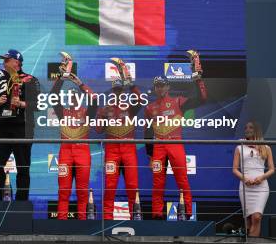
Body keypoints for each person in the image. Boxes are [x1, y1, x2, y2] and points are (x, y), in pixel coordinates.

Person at [144, 72, 207, 220]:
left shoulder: (178, 101)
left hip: (175, 143)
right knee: (157, 181)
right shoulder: (149, 108)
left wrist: (199, 81)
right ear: (154, 88)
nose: (159, 88)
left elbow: (202, 99)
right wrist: (150, 154)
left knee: (182, 179)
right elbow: (147, 132)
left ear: (168, 87)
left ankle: (188, 211)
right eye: (157, 86)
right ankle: (157, 213)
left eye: (162, 85)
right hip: (158, 146)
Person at [0, 49, 40, 200]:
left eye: (6, 60)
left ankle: (21, 203)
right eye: (4, 60)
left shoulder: (30, 79)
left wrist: (22, 103)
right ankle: (5, 197)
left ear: (16, 62)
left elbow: (37, 104)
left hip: (22, 127)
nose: (3, 63)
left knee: (23, 168)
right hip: (2, 128)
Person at [95, 60, 143, 220]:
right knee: (109, 186)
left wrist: (131, 84)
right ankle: (107, 219)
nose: (117, 93)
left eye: (120, 90)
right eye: (115, 91)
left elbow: (140, 100)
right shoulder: (105, 108)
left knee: (132, 185)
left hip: (129, 150)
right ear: (111, 92)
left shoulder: (130, 107)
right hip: (112, 150)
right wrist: (103, 116)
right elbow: (98, 130)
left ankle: (135, 217)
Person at [50, 69, 97, 220]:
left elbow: (95, 99)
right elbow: (52, 96)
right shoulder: (62, 112)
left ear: (79, 98)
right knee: (63, 190)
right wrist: (62, 78)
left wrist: (80, 84)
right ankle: (61, 222)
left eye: (74, 96)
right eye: (69, 97)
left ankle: (82, 221)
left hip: (83, 152)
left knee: (82, 190)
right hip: (65, 152)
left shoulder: (86, 112)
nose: (72, 99)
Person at [233, 121, 274, 237]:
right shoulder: (239, 147)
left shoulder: (266, 147)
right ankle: (251, 240)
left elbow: (271, 169)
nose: (247, 129)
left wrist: (262, 177)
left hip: (261, 187)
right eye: (246, 127)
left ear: (256, 129)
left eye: (250, 127)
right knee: (248, 220)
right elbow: (234, 169)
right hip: (245, 187)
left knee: (257, 217)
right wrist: (245, 178)